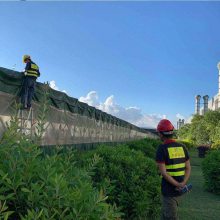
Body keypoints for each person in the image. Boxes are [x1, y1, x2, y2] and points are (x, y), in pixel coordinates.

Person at [155, 119, 191, 220]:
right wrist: (183, 182)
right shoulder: (182, 147)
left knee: (170, 217)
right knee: (166, 215)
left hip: (169, 190)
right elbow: (188, 167)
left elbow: (164, 173)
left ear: (161, 134)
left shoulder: (162, 148)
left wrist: (178, 184)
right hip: (179, 191)